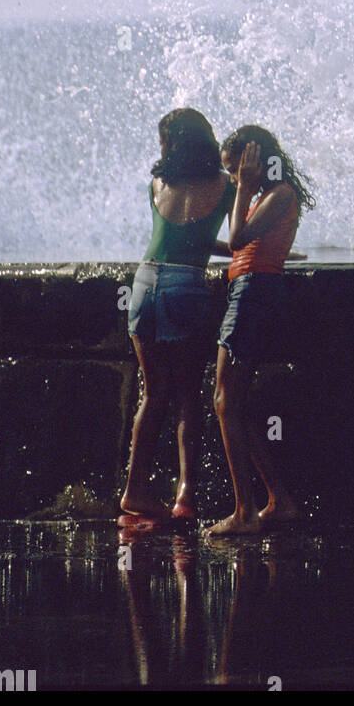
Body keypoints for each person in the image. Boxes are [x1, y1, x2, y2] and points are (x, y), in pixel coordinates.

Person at [120, 108, 235, 526]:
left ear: (173, 145)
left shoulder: (157, 183)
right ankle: (186, 497)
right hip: (186, 287)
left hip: (145, 283)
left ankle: (134, 492)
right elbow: (204, 237)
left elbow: (180, 234)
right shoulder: (225, 185)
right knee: (187, 396)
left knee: (153, 395)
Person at [205, 125, 314, 536]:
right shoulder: (269, 197)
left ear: (255, 162)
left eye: (238, 170)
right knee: (232, 405)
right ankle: (278, 500)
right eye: (232, 173)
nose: (234, 178)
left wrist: (244, 189)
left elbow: (236, 241)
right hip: (247, 290)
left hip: (253, 294)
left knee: (224, 400)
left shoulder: (278, 193)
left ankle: (244, 512)